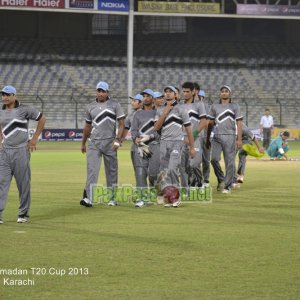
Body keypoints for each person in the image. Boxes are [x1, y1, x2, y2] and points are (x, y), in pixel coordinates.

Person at [0, 85, 46, 224]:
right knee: (2, 182)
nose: (4, 97)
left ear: (14, 96)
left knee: (23, 184)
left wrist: (34, 139)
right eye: (3, 95)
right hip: (4, 152)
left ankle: (23, 214)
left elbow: (42, 118)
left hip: (21, 151)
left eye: (7, 95)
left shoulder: (24, 109)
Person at [80, 81, 125, 207]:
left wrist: (118, 139)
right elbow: (87, 126)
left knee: (111, 171)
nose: (100, 93)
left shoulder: (115, 105)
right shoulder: (90, 106)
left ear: (107, 92)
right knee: (92, 170)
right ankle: (89, 198)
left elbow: (122, 124)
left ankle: (112, 198)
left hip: (110, 142)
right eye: (98, 91)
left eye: (103, 91)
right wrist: (83, 143)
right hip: (94, 143)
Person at [154, 85, 196, 207]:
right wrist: (165, 112)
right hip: (164, 142)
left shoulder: (181, 110)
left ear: (175, 94)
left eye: (170, 92)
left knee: (172, 169)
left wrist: (192, 148)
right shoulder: (159, 110)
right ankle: (169, 198)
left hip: (177, 142)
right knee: (165, 172)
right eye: (166, 91)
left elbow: (188, 130)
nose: (167, 94)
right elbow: (156, 127)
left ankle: (176, 197)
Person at [206, 85, 243, 194]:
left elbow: (239, 123)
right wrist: (208, 138)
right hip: (216, 137)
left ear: (230, 93)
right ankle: (222, 178)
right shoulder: (214, 106)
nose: (224, 93)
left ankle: (227, 186)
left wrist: (239, 139)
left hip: (230, 136)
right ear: (220, 93)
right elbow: (211, 123)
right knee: (213, 159)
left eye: (226, 91)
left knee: (229, 162)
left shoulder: (235, 106)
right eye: (222, 91)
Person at [131, 89, 160, 208]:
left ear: (153, 99)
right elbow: (133, 130)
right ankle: (142, 198)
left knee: (153, 174)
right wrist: (135, 139)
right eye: (144, 96)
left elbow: (160, 131)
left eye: (148, 96)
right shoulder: (137, 114)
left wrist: (151, 136)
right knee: (140, 173)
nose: (145, 98)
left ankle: (154, 191)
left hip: (155, 145)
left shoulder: (158, 112)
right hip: (141, 147)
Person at [180, 82, 207, 189]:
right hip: (182, 138)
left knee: (194, 164)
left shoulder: (199, 105)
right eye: (184, 91)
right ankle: (189, 184)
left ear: (193, 92)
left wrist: (194, 135)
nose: (185, 94)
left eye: (187, 91)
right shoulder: (180, 106)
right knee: (184, 165)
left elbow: (204, 122)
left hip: (196, 137)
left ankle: (199, 182)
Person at [121, 94, 143, 180]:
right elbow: (126, 129)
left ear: (141, 103)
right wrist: (120, 140)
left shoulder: (149, 113)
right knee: (138, 172)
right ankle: (141, 191)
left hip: (148, 146)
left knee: (151, 172)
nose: (132, 103)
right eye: (132, 101)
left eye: (134, 101)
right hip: (135, 147)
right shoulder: (130, 115)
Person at [198, 89, 211, 188]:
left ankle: (206, 179)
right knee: (195, 161)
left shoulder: (206, 107)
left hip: (205, 136)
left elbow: (207, 123)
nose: (199, 98)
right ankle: (197, 180)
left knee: (206, 160)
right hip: (196, 137)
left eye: (200, 97)